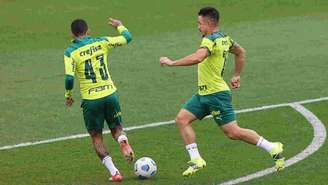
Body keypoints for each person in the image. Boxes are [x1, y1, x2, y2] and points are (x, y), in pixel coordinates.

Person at [160, 7, 285, 177]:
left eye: (200, 23)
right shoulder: (225, 39)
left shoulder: (209, 40)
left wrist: (172, 62)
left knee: (233, 132)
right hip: (204, 94)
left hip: (216, 95)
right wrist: (236, 75)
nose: (198, 27)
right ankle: (196, 160)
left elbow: (198, 57)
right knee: (182, 119)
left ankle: (272, 147)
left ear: (209, 23)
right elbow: (241, 52)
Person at [64, 18, 135, 182]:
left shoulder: (70, 52)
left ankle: (115, 172)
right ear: (88, 31)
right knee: (117, 128)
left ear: (72, 33)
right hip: (110, 94)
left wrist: (68, 95)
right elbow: (127, 37)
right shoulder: (101, 42)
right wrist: (120, 26)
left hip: (91, 100)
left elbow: (69, 78)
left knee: (96, 137)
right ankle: (122, 140)